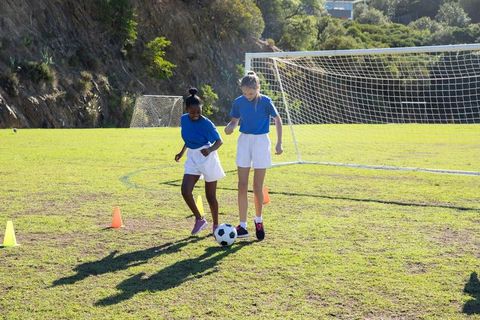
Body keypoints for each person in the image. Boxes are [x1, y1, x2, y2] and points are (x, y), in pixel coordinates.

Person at [224, 71, 283, 240]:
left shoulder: (266, 101)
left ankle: (258, 220)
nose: (247, 96)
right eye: (244, 93)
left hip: (261, 142)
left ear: (257, 88)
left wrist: (279, 142)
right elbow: (234, 121)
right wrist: (230, 127)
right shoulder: (238, 102)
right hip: (244, 141)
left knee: (257, 186)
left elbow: (278, 119)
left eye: (250, 93)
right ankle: (242, 226)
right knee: (241, 184)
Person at [175, 88, 225, 235]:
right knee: (185, 190)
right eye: (192, 112)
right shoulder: (184, 119)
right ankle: (199, 219)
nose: (196, 115)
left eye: (199, 112)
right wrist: (181, 152)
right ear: (186, 109)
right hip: (192, 156)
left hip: (207, 158)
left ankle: (216, 226)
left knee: (210, 196)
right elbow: (188, 138)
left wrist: (209, 151)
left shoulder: (207, 123)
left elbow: (219, 141)